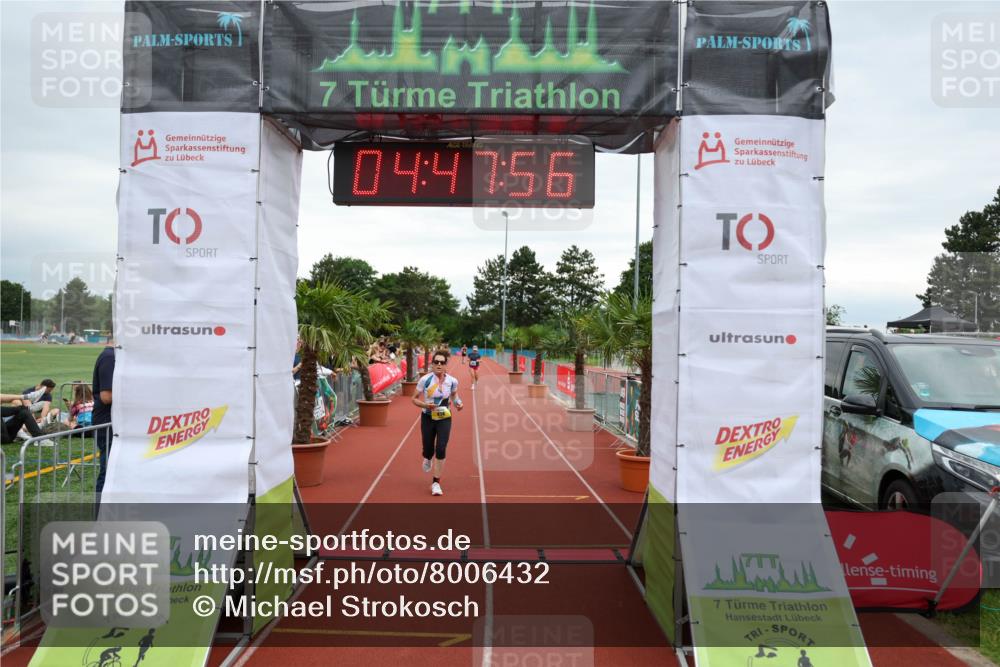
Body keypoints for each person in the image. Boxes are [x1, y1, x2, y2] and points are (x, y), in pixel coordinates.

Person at [411, 350, 463, 496]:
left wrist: (458, 403)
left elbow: (454, 395)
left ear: (446, 365)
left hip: (444, 417)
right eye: (436, 362)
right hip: (428, 417)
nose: (439, 364)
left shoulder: (452, 381)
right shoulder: (425, 380)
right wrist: (426, 406)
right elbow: (413, 399)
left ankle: (436, 483)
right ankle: (427, 457)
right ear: (432, 364)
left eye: (442, 362)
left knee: (441, 447)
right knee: (428, 448)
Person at [92, 338, 116, 493]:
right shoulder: (110, 357)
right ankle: (100, 513)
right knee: (108, 472)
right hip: (107, 423)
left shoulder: (114, 356)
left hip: (113, 422)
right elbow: (106, 397)